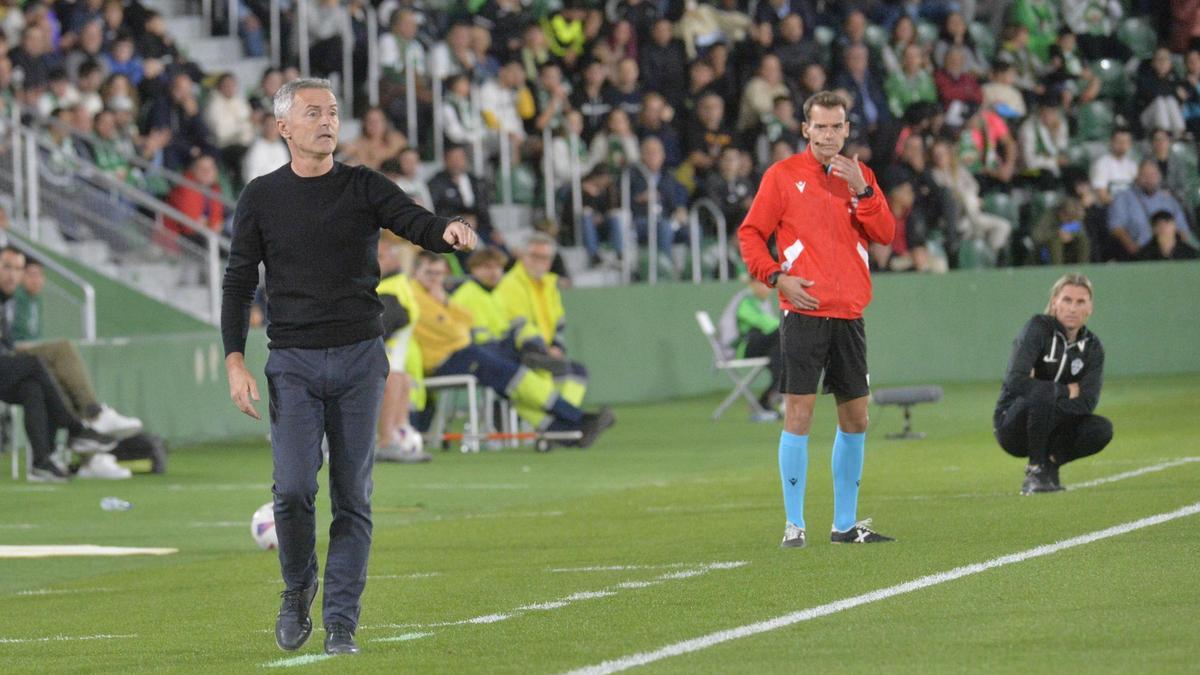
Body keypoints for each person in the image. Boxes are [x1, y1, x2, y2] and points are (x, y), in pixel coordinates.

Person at [221, 78, 478, 656]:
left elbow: (413, 220)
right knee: (291, 490)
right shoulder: (261, 197)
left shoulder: (363, 185)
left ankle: (341, 622)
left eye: (333, 112)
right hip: (292, 361)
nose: (327, 121)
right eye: (313, 113)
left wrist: (447, 230)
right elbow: (239, 283)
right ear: (283, 126)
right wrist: (236, 361)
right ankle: (296, 591)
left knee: (352, 496)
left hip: (361, 358)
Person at [737, 90, 896, 549]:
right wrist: (775, 277)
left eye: (836, 126)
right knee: (799, 414)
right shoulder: (782, 177)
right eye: (820, 126)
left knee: (857, 418)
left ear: (848, 130)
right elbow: (750, 234)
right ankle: (794, 524)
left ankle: (844, 525)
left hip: (849, 313)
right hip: (804, 312)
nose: (829, 135)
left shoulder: (860, 176)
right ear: (805, 129)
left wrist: (863, 190)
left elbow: (885, 234)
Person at [410, 252, 612, 443]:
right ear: (415, 272)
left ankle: (565, 430)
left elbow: (466, 320)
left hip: (464, 352)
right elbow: (456, 330)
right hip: (443, 360)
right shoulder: (415, 296)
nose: (435, 279)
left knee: (512, 382)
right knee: (511, 375)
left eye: (439, 273)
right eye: (429, 273)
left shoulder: (439, 296)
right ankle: (575, 419)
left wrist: (445, 303)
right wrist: (449, 312)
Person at [0, 246, 120, 483]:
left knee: (32, 388)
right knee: (35, 363)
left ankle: (41, 463)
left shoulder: (9, 302)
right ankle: (77, 430)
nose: (12, 275)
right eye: (6, 267)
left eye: (18, 269)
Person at [994, 274, 1112, 494]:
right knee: (1043, 393)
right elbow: (1015, 381)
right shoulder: (1038, 328)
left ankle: (1050, 464)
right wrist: (1065, 390)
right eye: (1067, 300)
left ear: (1090, 308)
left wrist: (1048, 403)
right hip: (1012, 425)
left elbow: (1087, 402)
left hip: (1052, 423)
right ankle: (1034, 471)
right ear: (1055, 302)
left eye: (1080, 302)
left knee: (1101, 429)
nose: (1073, 308)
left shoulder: (1093, 347)